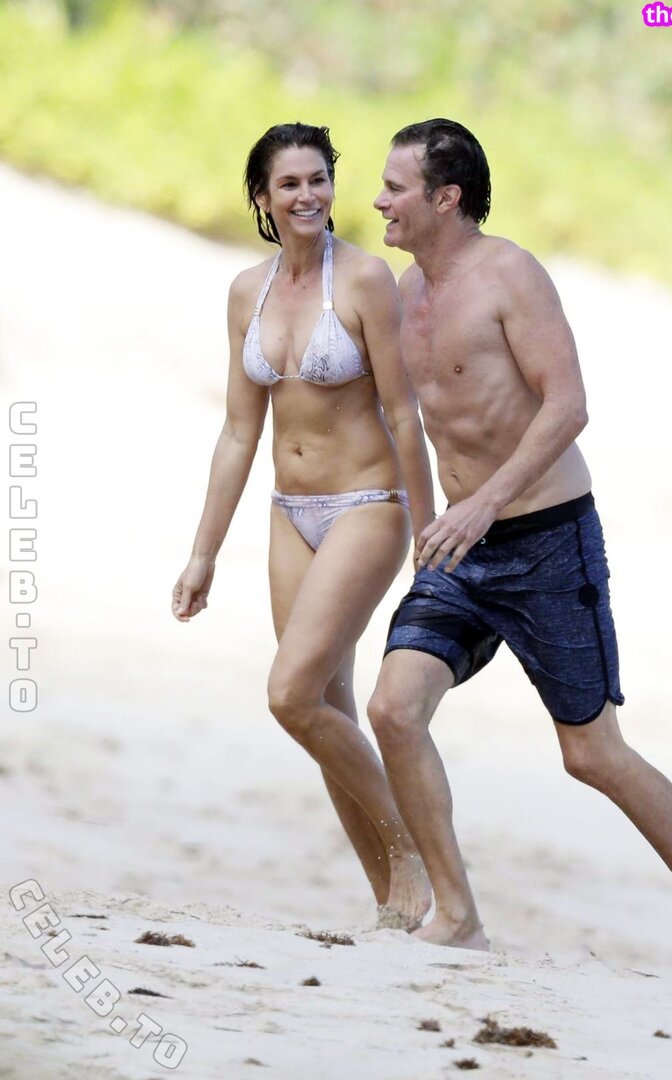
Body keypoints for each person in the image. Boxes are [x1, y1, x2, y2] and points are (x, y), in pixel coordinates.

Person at [367, 118, 672, 992]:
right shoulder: (406, 287)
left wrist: (484, 503)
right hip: (459, 549)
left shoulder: (509, 276)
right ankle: (457, 917)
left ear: (445, 197)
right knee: (393, 709)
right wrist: (430, 519)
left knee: (591, 755)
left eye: (395, 187)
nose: (379, 201)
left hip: (544, 540)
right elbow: (417, 420)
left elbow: (567, 406)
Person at [172, 122, 434, 929]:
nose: (307, 195)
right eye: (289, 183)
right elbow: (237, 432)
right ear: (262, 197)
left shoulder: (364, 279)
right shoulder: (244, 292)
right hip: (289, 513)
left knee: (288, 695)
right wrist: (203, 553)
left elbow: (403, 412)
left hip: (367, 504)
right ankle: (391, 902)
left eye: (318, 178)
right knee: (324, 708)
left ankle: (415, 852)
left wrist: (430, 534)